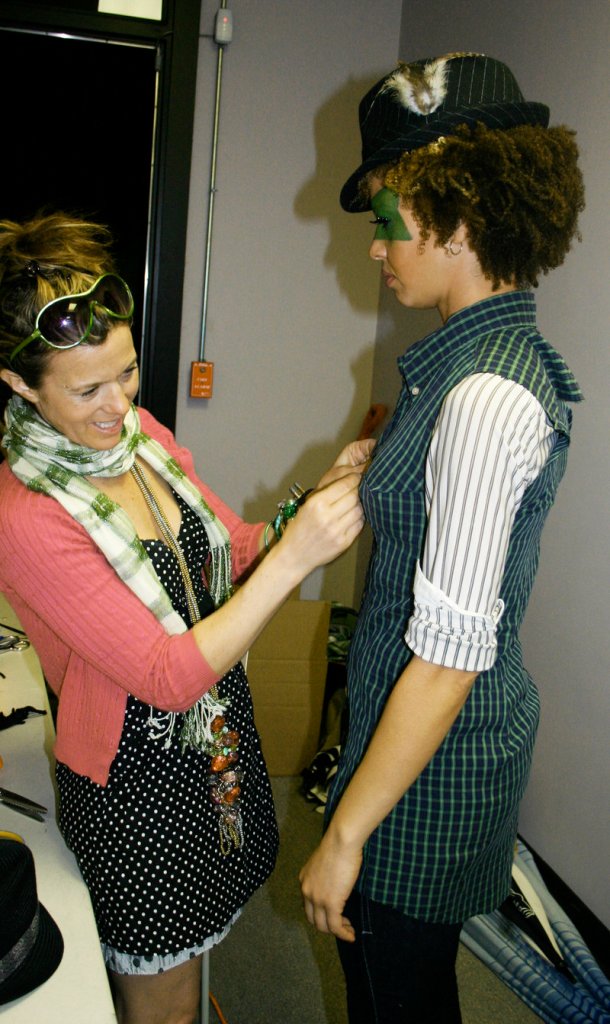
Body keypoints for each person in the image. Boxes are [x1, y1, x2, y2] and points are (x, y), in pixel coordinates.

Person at [0, 212, 373, 1024]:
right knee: (159, 1001)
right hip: (138, 791)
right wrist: (299, 558)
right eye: (87, 389)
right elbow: (167, 676)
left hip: (213, 748)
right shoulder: (28, 516)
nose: (118, 404)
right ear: (21, 385)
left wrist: (307, 504)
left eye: (127, 373)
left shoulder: (142, 441)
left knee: (198, 959)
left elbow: (230, 553)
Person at [299, 52, 585, 1023]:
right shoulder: (465, 368)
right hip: (425, 739)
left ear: (458, 217)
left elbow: (448, 659)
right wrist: (369, 466)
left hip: (430, 759)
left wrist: (343, 836)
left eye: (386, 221)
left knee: (395, 991)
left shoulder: (483, 396)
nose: (375, 248)